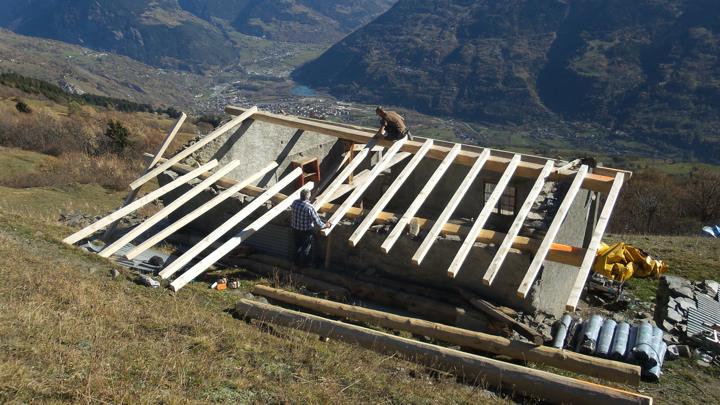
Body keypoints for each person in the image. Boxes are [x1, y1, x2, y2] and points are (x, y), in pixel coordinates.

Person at [290, 188, 331, 269]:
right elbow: (317, 222)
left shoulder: (295, 203)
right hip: (305, 231)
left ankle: (296, 263)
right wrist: (326, 225)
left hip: (295, 229)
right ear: (308, 196)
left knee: (297, 246)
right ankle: (305, 265)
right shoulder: (309, 207)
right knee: (306, 248)